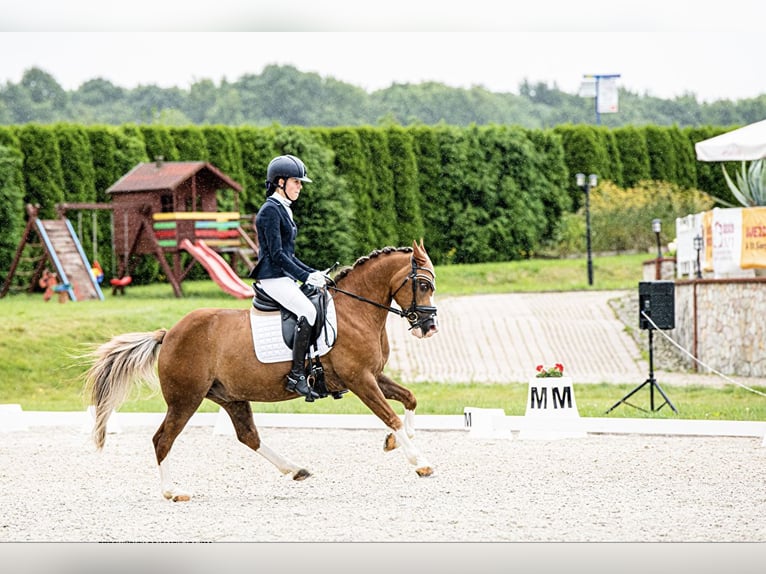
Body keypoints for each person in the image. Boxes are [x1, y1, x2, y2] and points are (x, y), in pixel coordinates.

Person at [249, 154, 327, 400]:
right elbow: (277, 255)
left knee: (318, 303)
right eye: (297, 182)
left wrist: (311, 273)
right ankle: (296, 375)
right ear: (280, 182)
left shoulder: (283, 210)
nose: (300, 187)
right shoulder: (269, 212)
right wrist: (305, 276)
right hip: (272, 278)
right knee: (309, 312)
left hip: (283, 276)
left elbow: (290, 255)